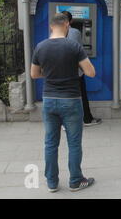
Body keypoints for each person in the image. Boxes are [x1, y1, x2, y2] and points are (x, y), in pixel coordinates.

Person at [31, 13, 96, 193]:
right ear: (67, 25)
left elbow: (34, 74)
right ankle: (75, 181)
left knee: (50, 143)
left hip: (49, 100)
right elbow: (91, 72)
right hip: (71, 101)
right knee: (74, 143)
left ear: (51, 26)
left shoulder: (40, 47)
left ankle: (52, 182)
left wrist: (50, 74)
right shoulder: (74, 46)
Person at [62, 10, 102, 127]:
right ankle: (86, 119)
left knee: (65, 96)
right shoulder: (75, 32)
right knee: (81, 95)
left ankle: (65, 122)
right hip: (75, 72)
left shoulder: (54, 34)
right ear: (71, 21)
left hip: (61, 72)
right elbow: (79, 52)